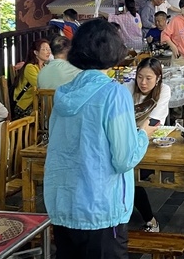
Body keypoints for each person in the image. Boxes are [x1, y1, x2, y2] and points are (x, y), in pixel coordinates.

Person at [45, 19, 158, 258]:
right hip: (101, 207)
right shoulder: (114, 93)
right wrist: (143, 135)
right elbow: (124, 159)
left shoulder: (63, 92)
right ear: (114, 50)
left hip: (63, 204)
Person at [124, 57, 171, 233]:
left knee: (134, 178)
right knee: (130, 177)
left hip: (150, 140)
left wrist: (139, 134)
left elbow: (153, 122)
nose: (143, 83)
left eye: (148, 78)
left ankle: (149, 219)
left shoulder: (164, 90)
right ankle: (145, 218)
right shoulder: (127, 89)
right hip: (127, 138)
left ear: (158, 78)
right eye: (140, 77)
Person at [12, 38, 51, 118]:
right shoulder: (30, 67)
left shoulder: (45, 66)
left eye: (49, 49)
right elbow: (41, 85)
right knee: (51, 114)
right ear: (36, 52)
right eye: (44, 49)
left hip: (36, 103)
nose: (48, 52)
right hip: (24, 106)